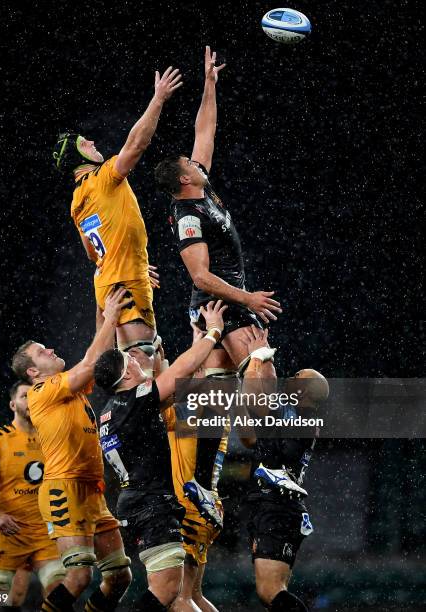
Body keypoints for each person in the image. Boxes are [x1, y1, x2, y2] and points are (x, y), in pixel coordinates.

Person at [155, 46, 282, 525]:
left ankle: (197, 485)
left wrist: (209, 84)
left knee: (211, 399)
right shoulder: (187, 215)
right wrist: (247, 298)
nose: (195, 159)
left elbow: (203, 130)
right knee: (259, 365)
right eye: (189, 162)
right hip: (221, 301)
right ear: (183, 178)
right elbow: (200, 276)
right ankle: (265, 458)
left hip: (221, 304)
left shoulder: (200, 184)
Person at [94, 301, 228, 612]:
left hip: (140, 501)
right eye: (132, 357)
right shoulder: (136, 401)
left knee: (169, 591)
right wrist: (213, 333)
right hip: (151, 503)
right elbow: (179, 374)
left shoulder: (113, 411)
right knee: (169, 591)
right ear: (127, 370)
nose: (139, 359)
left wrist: (197, 343)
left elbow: (179, 386)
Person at [11, 288, 133, 612]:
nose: (50, 349)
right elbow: (92, 361)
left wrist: (100, 297)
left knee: (120, 577)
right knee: (79, 577)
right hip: (63, 489)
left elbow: (100, 352)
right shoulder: (41, 391)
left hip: (93, 491)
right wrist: (109, 315)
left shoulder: (68, 386)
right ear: (33, 372)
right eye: (41, 351)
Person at [52, 64, 182, 360]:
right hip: (124, 282)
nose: (93, 143)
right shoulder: (103, 178)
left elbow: (91, 253)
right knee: (143, 368)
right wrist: (158, 99)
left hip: (110, 280)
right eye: (86, 143)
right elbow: (137, 144)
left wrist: (119, 257)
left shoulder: (77, 201)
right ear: (77, 156)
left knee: (148, 364)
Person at [238, 325, 329, 612]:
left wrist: (258, 356)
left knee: (270, 591)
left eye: (297, 378)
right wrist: (262, 362)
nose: (291, 378)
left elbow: (256, 397)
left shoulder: (297, 417)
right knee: (273, 593)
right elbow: (250, 436)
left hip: (277, 506)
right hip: (276, 506)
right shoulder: (297, 414)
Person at [0, 381, 65, 611]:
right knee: (3, 599)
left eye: (34, 396)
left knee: (59, 589)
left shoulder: (52, 439)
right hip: (9, 530)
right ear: (13, 404)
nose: (31, 400)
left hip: (46, 531)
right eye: (25, 396)